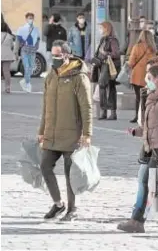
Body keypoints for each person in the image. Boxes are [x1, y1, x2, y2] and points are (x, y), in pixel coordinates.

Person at [118, 63, 158, 233]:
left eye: (149, 78)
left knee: (157, 184)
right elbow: (153, 125)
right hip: (153, 147)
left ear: (157, 78)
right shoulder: (154, 97)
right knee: (156, 184)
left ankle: (137, 221)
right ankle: (138, 221)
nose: (146, 82)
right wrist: (136, 132)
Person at [38, 40, 92, 222]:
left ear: (67, 55)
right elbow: (45, 106)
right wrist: (41, 130)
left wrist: (87, 133)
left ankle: (72, 208)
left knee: (71, 174)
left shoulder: (79, 77)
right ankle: (58, 204)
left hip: (71, 134)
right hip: (51, 133)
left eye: (58, 55)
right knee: (45, 166)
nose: (54, 59)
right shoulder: (51, 76)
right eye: (52, 55)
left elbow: (87, 107)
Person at [93, 21, 120, 121]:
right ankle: (104, 111)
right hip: (103, 66)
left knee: (106, 87)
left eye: (102, 28)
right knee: (104, 87)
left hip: (109, 67)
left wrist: (105, 53)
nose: (100, 30)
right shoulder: (103, 39)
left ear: (106, 29)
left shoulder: (113, 40)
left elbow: (116, 54)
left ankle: (110, 112)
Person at [128, 30, 157, 123]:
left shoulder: (136, 47)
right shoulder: (153, 49)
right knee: (148, 96)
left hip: (137, 75)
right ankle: (147, 116)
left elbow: (131, 62)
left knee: (138, 97)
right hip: (149, 76)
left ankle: (137, 116)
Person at [16, 12, 40, 93]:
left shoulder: (36, 29)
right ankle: (28, 83)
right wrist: (22, 45)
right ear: (26, 19)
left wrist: (36, 46)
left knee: (31, 67)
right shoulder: (21, 28)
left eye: (32, 18)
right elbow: (18, 38)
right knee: (26, 66)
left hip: (32, 50)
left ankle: (25, 81)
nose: (31, 19)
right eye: (29, 18)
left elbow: (38, 38)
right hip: (25, 50)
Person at [1, 14, 15, 93]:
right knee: (6, 72)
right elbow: (12, 46)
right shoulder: (9, 36)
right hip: (7, 56)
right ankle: (8, 87)